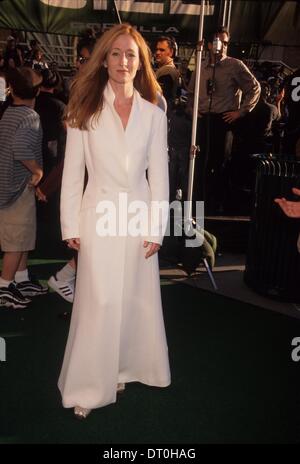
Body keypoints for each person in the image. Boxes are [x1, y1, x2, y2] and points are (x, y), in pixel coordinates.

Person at [58, 23, 170, 419]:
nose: (124, 61)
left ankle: (120, 369)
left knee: (132, 299)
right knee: (98, 302)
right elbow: (73, 173)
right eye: (116, 54)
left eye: (132, 55)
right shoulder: (82, 107)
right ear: (104, 60)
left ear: (140, 64)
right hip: (99, 216)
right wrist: (70, 224)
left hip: (138, 217)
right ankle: (87, 387)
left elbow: (159, 176)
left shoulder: (154, 114)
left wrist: (157, 228)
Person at [188, 26, 260, 214]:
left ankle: (215, 206)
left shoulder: (234, 65)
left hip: (224, 120)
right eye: (220, 42)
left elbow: (254, 88)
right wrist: (192, 110)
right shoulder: (201, 66)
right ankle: (198, 203)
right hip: (203, 120)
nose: (223, 46)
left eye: (226, 43)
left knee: (220, 164)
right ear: (210, 44)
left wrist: (241, 111)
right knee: (200, 162)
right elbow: (190, 94)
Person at [0, 67, 48, 309]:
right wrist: (37, 171)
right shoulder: (30, 117)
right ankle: (4, 286)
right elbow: (20, 148)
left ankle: (20, 278)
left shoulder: (9, 113)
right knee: (16, 241)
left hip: (14, 186)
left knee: (24, 236)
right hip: (16, 188)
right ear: (37, 91)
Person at [154, 36, 180, 105]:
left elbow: (161, 98)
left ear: (171, 52)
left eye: (162, 50)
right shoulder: (166, 69)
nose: (157, 52)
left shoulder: (167, 71)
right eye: (157, 49)